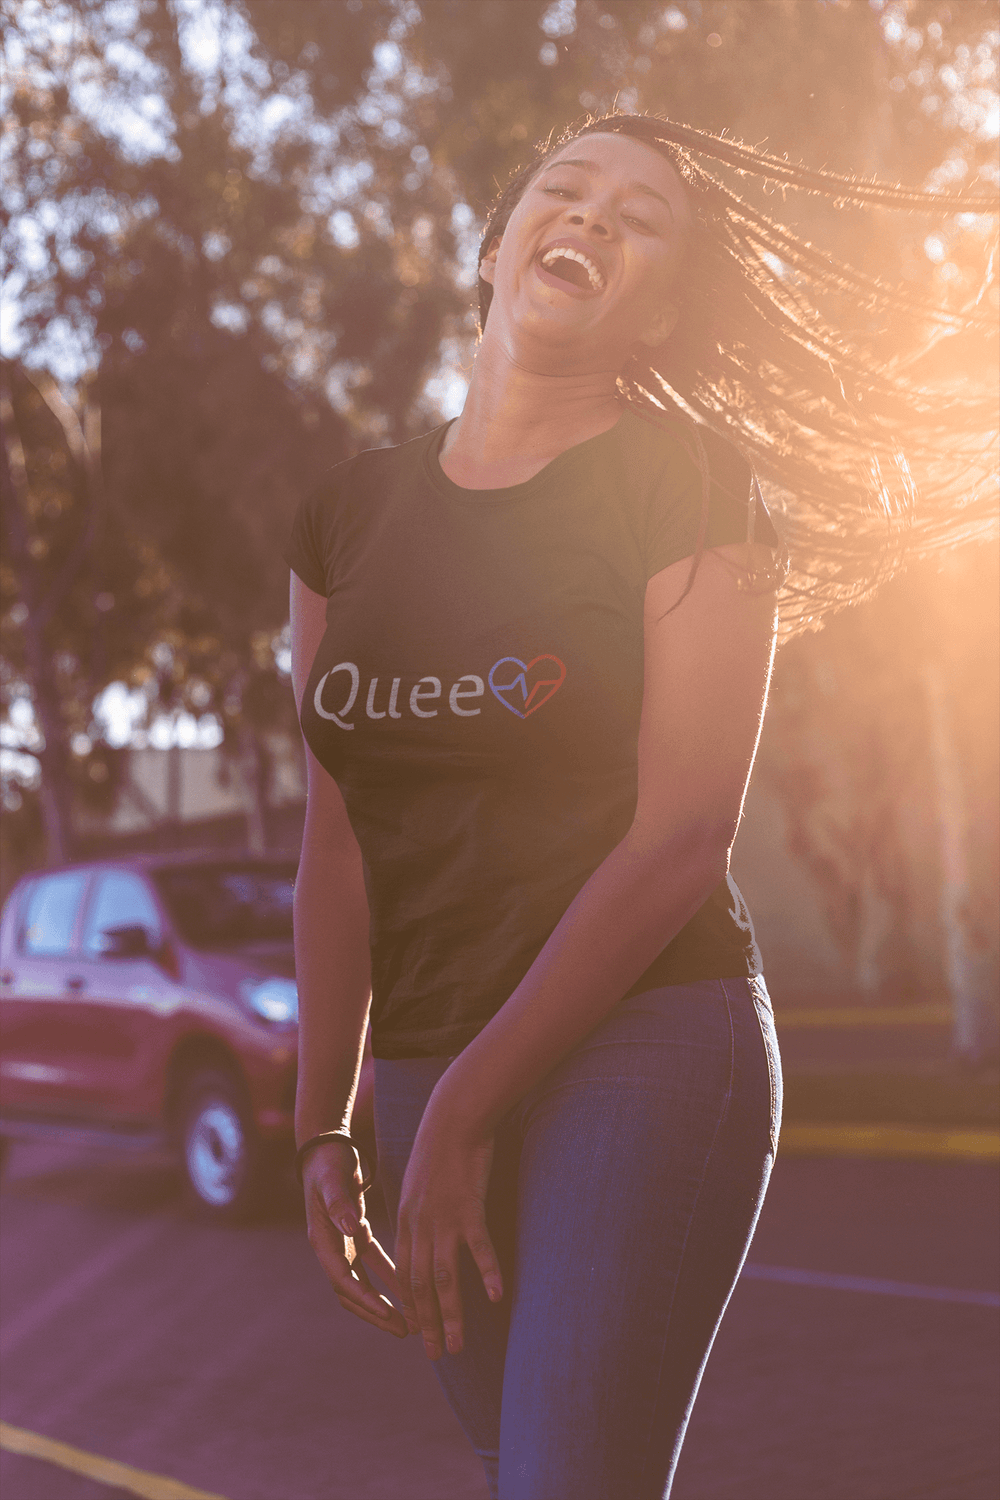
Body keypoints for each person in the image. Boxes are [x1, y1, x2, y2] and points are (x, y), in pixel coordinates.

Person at [284, 112, 997, 1500]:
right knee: (534, 1466)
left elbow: (683, 839)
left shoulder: (688, 486)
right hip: (428, 1054)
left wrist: (468, 1113)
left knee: (565, 1483)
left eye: (641, 220)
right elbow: (337, 841)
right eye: (568, 192)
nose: (595, 220)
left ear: (663, 313)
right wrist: (327, 1122)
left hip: (651, 1036)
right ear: (496, 249)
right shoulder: (344, 514)